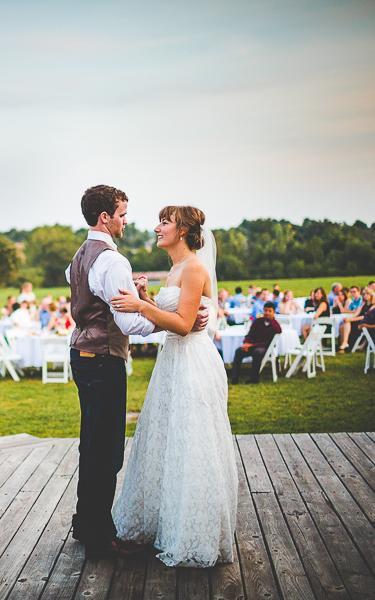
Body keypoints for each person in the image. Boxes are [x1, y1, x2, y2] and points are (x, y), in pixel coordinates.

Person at [110, 203, 236, 567]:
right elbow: (174, 318)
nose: (156, 228)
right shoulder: (176, 268)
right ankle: (165, 521)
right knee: (167, 440)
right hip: (173, 361)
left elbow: (183, 325)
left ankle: (194, 532)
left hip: (193, 363)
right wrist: (148, 299)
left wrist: (138, 305)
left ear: (182, 231)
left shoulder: (194, 267)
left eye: (164, 222)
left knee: (192, 441)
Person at [63, 185, 162, 560]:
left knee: (90, 445)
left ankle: (85, 523)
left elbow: (84, 288)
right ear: (104, 217)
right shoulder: (113, 261)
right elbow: (127, 322)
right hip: (104, 358)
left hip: (82, 354)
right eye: (122, 213)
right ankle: (100, 540)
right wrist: (165, 323)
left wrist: (134, 297)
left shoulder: (80, 254)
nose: (126, 220)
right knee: (106, 450)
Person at [231, 302, 282, 384]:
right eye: (265, 311)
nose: (267, 313)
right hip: (252, 345)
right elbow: (249, 334)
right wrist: (246, 343)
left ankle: (254, 378)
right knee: (239, 351)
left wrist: (251, 345)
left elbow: (267, 343)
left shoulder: (276, 327)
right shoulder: (257, 321)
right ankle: (235, 377)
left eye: (269, 311)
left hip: (265, 348)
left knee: (257, 352)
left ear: (274, 312)